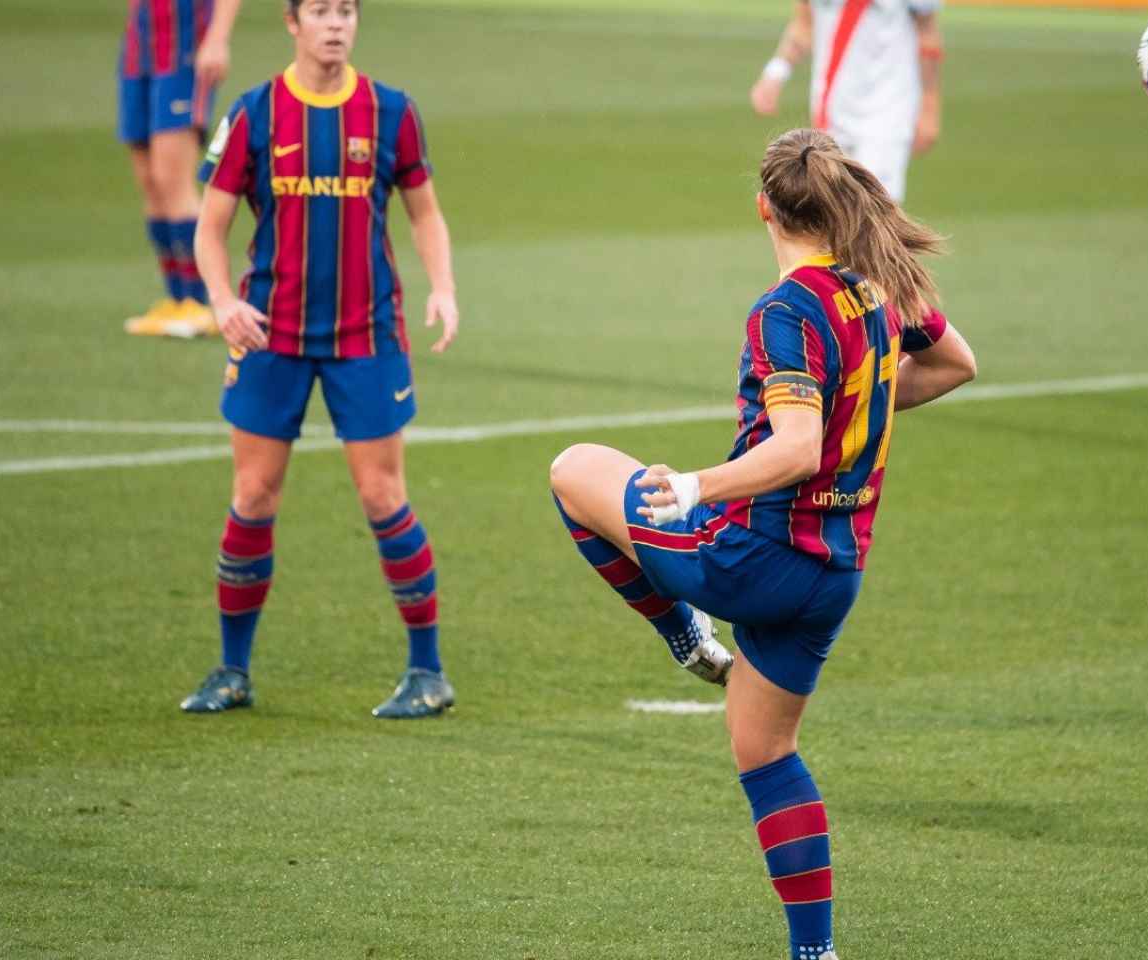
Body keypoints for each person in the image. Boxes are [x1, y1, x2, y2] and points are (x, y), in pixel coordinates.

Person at [548, 128, 976, 960]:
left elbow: (795, 449)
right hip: (834, 572)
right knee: (765, 750)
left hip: (750, 563)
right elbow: (956, 364)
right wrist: (862, 410)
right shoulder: (878, 287)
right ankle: (814, 953)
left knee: (573, 472)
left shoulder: (786, 308)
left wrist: (697, 487)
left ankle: (682, 634)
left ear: (765, 210)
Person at [179, 0, 462, 719]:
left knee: (382, 496)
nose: (335, 23)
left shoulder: (391, 111)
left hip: (366, 336)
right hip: (269, 334)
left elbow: (425, 211)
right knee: (253, 496)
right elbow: (209, 227)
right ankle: (231, 670)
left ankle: (428, 672)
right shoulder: (254, 114)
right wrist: (219, 301)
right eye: (320, 11)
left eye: (346, 11)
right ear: (292, 22)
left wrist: (445, 289)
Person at [120, 0, 243, 338]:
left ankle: (201, 303)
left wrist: (218, 39)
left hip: (184, 50)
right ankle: (176, 301)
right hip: (139, 49)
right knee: (150, 182)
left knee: (171, 178)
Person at [749, 1, 943, 203]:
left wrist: (929, 106)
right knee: (830, 207)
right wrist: (775, 74)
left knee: (875, 207)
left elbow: (927, 30)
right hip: (831, 108)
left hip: (887, 107)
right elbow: (804, 23)